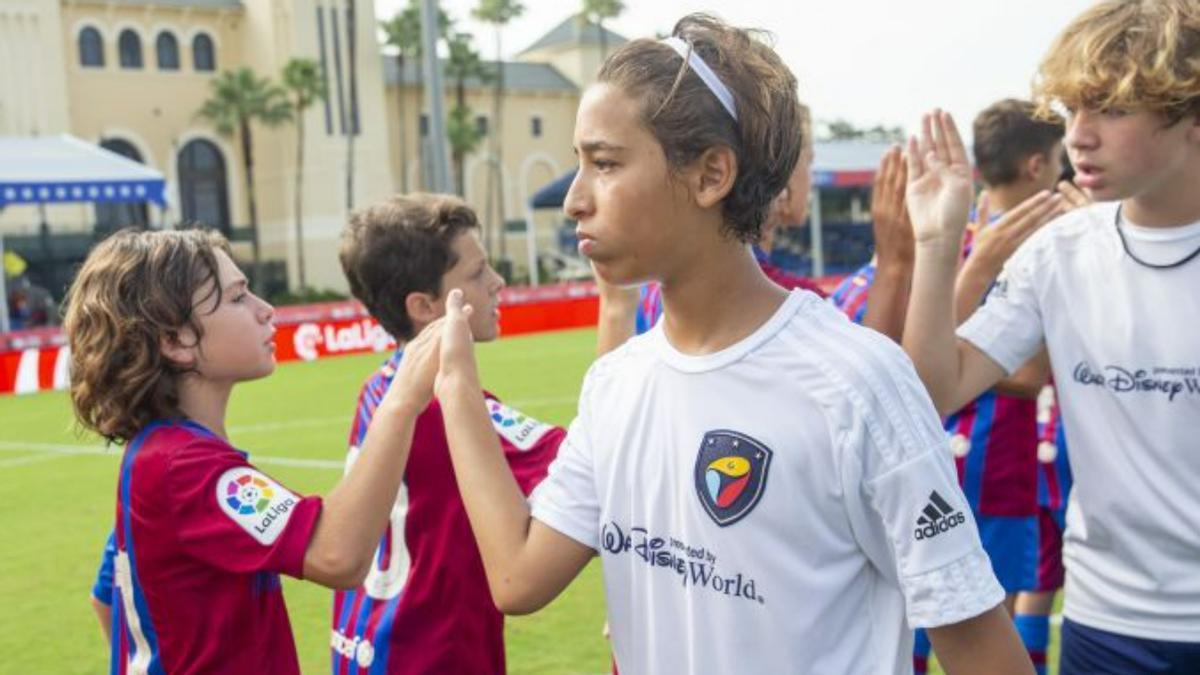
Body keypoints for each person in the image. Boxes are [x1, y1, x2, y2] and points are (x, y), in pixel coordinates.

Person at [435, 14, 1031, 674]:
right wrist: (458, 390)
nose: (575, 199)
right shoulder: (616, 384)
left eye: (604, 163)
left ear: (711, 174)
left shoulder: (857, 381)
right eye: (580, 164)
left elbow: (980, 647)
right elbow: (519, 576)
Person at [901, 1, 1200, 671]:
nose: (1079, 136)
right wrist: (938, 242)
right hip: (1107, 623)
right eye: (1073, 111)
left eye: (1112, 109)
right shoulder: (1060, 251)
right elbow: (931, 388)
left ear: (1192, 116)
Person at [67, 228, 440, 674]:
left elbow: (106, 598)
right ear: (175, 341)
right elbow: (337, 555)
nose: (266, 310)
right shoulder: (183, 466)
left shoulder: (158, 451)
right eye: (238, 298)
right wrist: (402, 399)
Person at [330, 194, 565, 675]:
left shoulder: (380, 386)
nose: (498, 282)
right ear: (424, 306)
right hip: (431, 658)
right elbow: (597, 462)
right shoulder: (455, 412)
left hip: (361, 649)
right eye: (478, 274)